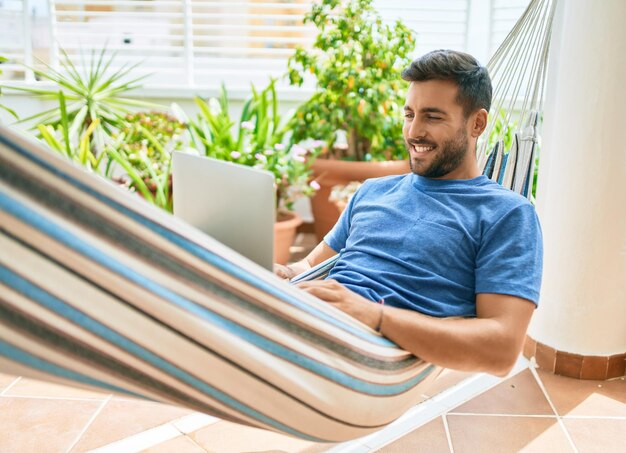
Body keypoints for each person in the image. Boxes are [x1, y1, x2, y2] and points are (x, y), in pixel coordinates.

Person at [274, 49, 543, 377]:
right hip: (304, 322)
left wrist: (373, 315)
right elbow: (309, 266)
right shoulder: (373, 191)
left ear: (477, 123)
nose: (414, 132)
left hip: (360, 357)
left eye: (432, 117)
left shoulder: (506, 215)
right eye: (409, 114)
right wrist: (284, 274)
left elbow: (501, 350)